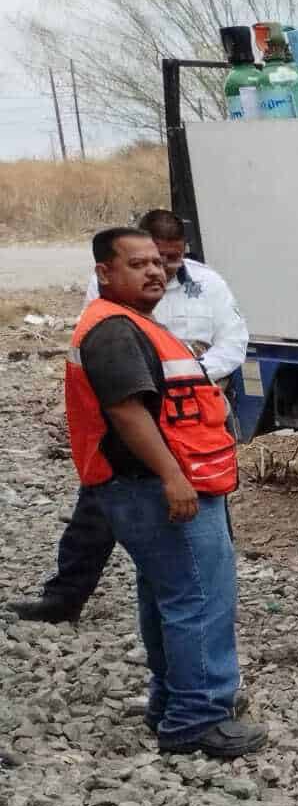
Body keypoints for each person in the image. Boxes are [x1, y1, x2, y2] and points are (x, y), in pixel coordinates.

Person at [62, 227, 266, 758]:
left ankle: (172, 703)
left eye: (157, 262)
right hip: (155, 486)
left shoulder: (132, 325)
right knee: (200, 597)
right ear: (104, 273)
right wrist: (174, 478)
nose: (154, 271)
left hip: (153, 485)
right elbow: (127, 411)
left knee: (169, 595)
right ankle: (198, 719)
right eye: (137, 264)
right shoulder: (112, 330)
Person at [9, 209, 248, 624]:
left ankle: (211, 592)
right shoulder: (111, 308)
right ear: (112, 269)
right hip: (132, 439)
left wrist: (191, 374)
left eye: (168, 259)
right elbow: (117, 387)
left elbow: (233, 340)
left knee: (203, 535)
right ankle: (65, 599)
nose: (163, 269)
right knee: (96, 520)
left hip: (192, 428)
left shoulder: (208, 284)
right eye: (149, 260)